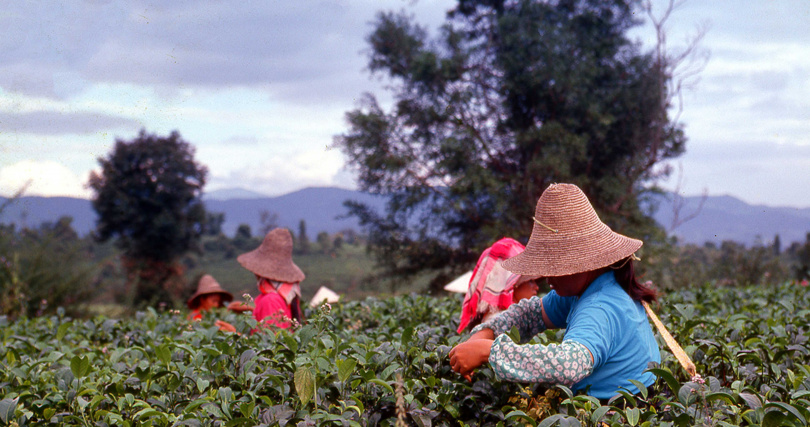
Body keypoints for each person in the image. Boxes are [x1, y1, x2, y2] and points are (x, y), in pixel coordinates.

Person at [449, 183, 661, 401]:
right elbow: (531, 313)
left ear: (583, 264)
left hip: (622, 408)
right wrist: (486, 333)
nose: (546, 278)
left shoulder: (599, 307)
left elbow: (569, 364)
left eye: (554, 268)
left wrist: (490, 351)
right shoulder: (592, 287)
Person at [457, 237, 540, 333]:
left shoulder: (516, 315)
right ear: (513, 284)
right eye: (530, 281)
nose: (536, 287)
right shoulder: (501, 320)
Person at [236, 227, 305, 329]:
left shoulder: (270, 301)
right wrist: (250, 310)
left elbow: (269, 338)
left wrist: (234, 333)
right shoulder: (286, 295)